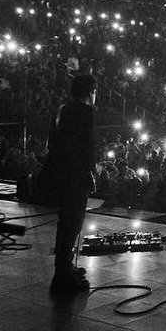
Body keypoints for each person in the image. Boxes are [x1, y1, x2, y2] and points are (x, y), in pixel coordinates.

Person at [46, 75, 98, 294]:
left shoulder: (62, 110)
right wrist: (91, 170)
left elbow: (52, 143)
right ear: (90, 91)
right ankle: (62, 276)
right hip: (76, 175)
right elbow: (87, 146)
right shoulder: (86, 113)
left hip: (61, 172)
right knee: (72, 224)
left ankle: (65, 267)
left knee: (65, 222)